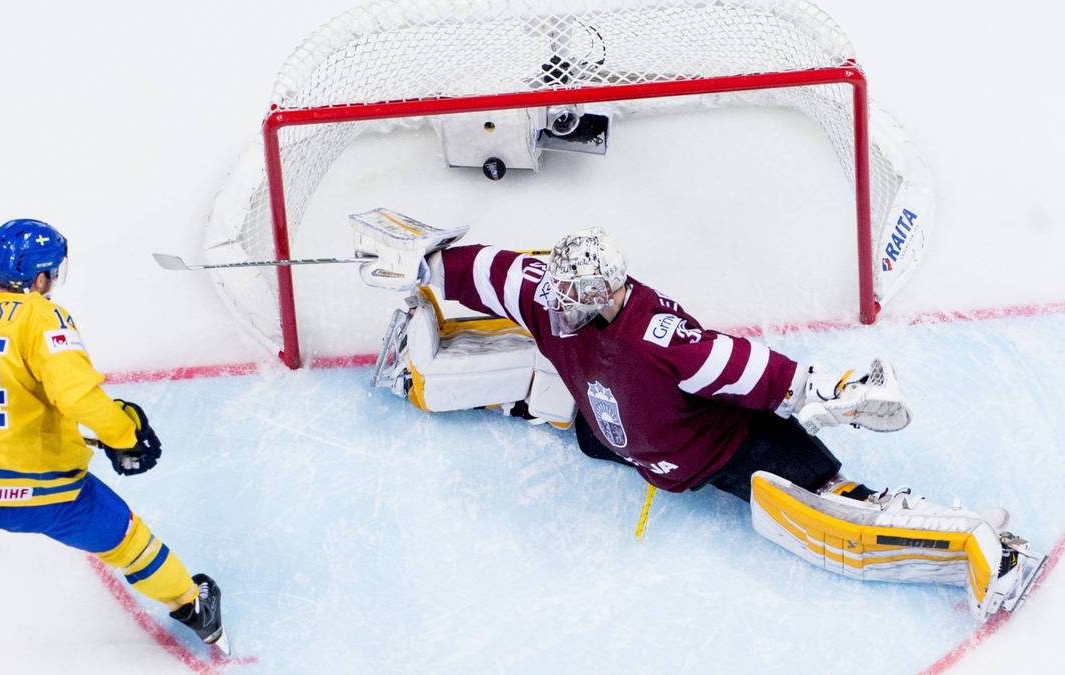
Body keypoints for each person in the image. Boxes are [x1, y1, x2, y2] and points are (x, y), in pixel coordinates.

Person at [351, 208, 1043, 621]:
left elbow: (745, 368)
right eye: (556, 294)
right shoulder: (552, 293)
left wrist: (825, 391)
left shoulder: (660, 339)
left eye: (571, 300)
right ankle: (462, 385)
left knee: (828, 506)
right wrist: (425, 264)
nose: (555, 309)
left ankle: (975, 548)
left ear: (605, 293)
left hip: (728, 450)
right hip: (622, 436)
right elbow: (495, 273)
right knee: (562, 407)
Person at [0, 219, 228, 653]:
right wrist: (124, 434)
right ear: (40, 277)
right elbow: (77, 397)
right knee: (131, 542)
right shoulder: (42, 315)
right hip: (48, 499)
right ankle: (193, 607)